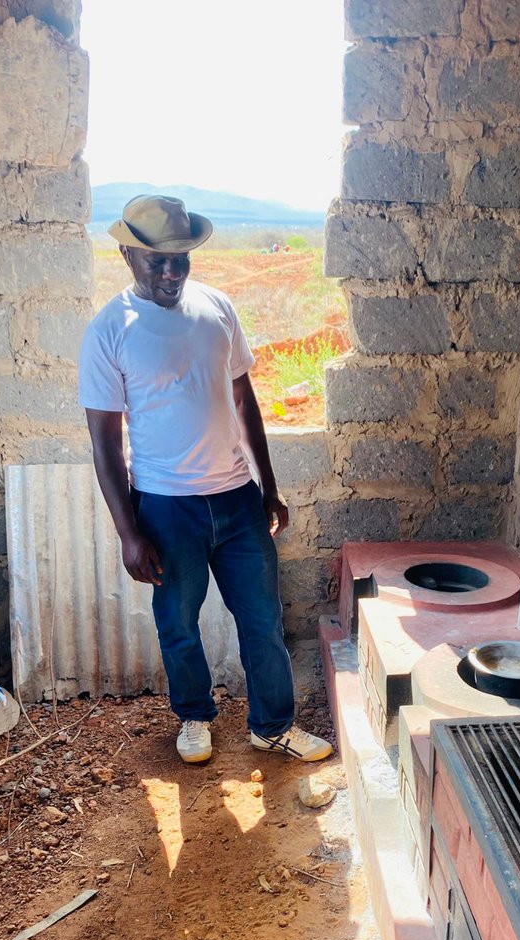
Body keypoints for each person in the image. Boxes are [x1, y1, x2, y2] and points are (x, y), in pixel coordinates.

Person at [78, 194, 332, 766]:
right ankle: (194, 717)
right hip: (167, 508)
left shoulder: (217, 307)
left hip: (238, 500)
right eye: (157, 260)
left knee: (263, 618)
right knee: (178, 623)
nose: (172, 272)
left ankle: (273, 726)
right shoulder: (108, 330)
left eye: (182, 259)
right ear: (126, 253)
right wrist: (128, 532)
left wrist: (268, 486)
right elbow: (104, 441)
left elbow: (244, 399)